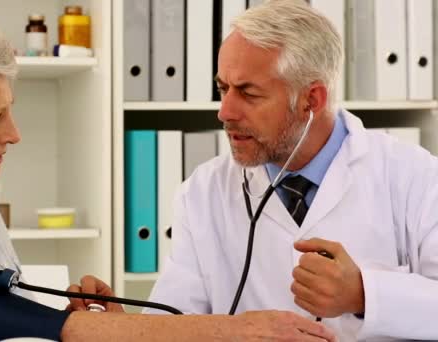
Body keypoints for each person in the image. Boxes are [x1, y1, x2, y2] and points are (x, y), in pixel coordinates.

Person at [0, 5, 335, 342]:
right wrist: (229, 332)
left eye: (8, 112)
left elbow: (14, 321)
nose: (14, 135)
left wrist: (77, 314)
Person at [72, 0, 438, 340]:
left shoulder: (414, 177)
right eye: (223, 89)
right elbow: (181, 320)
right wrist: (124, 324)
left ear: (312, 100)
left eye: (248, 93)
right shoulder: (203, 191)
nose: (225, 112)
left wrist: (364, 294)